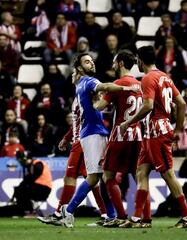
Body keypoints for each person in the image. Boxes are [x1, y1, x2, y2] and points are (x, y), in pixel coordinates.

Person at [119, 46, 187, 228]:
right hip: (152, 133)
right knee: (141, 172)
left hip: (157, 132)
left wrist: (128, 122)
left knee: (168, 175)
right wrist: (178, 129)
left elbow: (148, 106)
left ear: (140, 60)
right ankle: (139, 219)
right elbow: (182, 103)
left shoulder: (148, 78)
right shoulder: (164, 77)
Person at [59, 53, 138, 228]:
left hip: (96, 131)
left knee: (104, 176)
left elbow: (96, 106)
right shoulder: (89, 81)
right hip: (93, 133)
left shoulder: (81, 85)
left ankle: (110, 216)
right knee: (95, 176)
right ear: (79, 68)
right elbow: (106, 86)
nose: (91, 63)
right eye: (87, 61)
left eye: (92, 60)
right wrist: (126, 88)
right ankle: (69, 210)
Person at [37, 69, 108, 226]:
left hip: (82, 141)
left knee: (75, 177)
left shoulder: (85, 93)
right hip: (80, 140)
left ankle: (60, 214)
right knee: (92, 179)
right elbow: (79, 122)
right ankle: (105, 214)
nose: (72, 75)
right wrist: (67, 137)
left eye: (75, 72)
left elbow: (88, 118)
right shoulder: (78, 95)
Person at [93, 50, 151, 227]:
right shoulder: (139, 84)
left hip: (120, 135)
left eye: (114, 61)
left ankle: (121, 215)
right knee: (140, 178)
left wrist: (93, 98)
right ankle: (146, 218)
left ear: (119, 64)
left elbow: (99, 107)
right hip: (138, 136)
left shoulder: (118, 84)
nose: (112, 64)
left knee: (108, 176)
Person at [0, 150, 52, 217]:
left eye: (20, 160)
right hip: (38, 187)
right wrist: (16, 192)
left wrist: (20, 189)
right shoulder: (30, 166)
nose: (20, 162)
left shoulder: (37, 164)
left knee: (22, 190)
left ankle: (29, 211)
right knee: (20, 189)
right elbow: (26, 181)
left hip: (43, 189)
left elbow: (31, 179)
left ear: (25, 159)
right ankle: (24, 210)